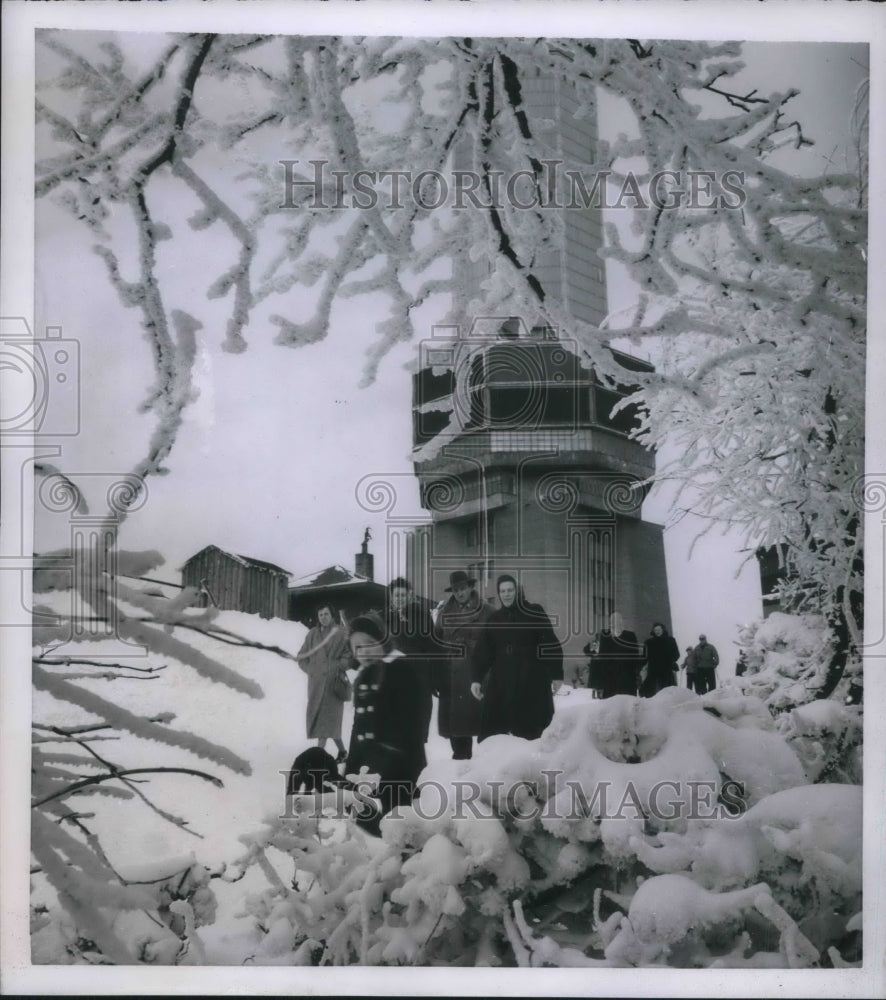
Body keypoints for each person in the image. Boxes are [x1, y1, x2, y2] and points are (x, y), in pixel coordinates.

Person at [345, 613, 428, 833]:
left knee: (401, 827)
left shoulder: (400, 670)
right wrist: (351, 768)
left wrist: (380, 763)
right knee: (369, 824)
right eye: (357, 647)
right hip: (370, 770)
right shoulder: (364, 676)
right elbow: (359, 727)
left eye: (370, 643)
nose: (364, 652)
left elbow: (409, 723)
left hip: (400, 768)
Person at [469, 574, 563, 741]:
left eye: (510, 590)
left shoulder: (534, 611)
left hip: (532, 682)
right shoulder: (495, 618)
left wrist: (556, 674)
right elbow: (483, 651)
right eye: (503, 591)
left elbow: (550, 643)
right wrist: (476, 679)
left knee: (533, 736)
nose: (506, 594)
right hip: (503, 683)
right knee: (495, 736)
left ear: (517, 591)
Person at [434, 569, 494, 759]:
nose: (459, 593)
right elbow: (436, 646)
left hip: (477, 676)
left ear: (470, 587)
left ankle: (488, 766)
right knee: (458, 731)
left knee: (487, 729)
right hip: (451, 677)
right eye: (455, 590)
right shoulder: (444, 614)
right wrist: (436, 676)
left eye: (462, 588)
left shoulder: (487, 611)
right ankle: (461, 761)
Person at [295, 603, 352, 762]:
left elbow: (349, 655)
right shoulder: (312, 634)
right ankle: (343, 753)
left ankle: (317, 760)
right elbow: (301, 657)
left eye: (326, 614)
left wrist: (339, 666)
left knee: (327, 722)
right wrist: (311, 670)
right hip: (316, 685)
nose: (323, 617)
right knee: (327, 723)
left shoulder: (341, 633)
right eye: (320, 615)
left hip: (334, 684)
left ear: (332, 615)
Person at [384, 577, 436, 743]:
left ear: (409, 596)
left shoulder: (421, 615)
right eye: (396, 595)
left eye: (403, 595)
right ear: (391, 597)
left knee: (417, 727)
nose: (399, 598)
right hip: (395, 678)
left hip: (418, 676)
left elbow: (432, 645)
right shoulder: (387, 618)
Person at [589, 612, 643, 698]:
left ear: (621, 622)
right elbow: (602, 655)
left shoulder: (630, 635)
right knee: (611, 700)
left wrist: (635, 670)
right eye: (613, 621)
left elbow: (635, 654)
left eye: (618, 621)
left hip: (627, 674)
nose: (615, 623)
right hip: (611, 674)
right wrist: (604, 672)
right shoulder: (605, 635)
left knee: (627, 700)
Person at [639, 622, 680, 697]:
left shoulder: (670, 640)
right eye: (655, 630)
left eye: (659, 629)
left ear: (663, 630)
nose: (657, 631)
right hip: (653, 669)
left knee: (668, 690)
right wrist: (639, 666)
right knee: (649, 691)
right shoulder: (649, 642)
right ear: (653, 631)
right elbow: (644, 657)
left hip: (666, 669)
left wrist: (670, 661)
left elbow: (676, 654)